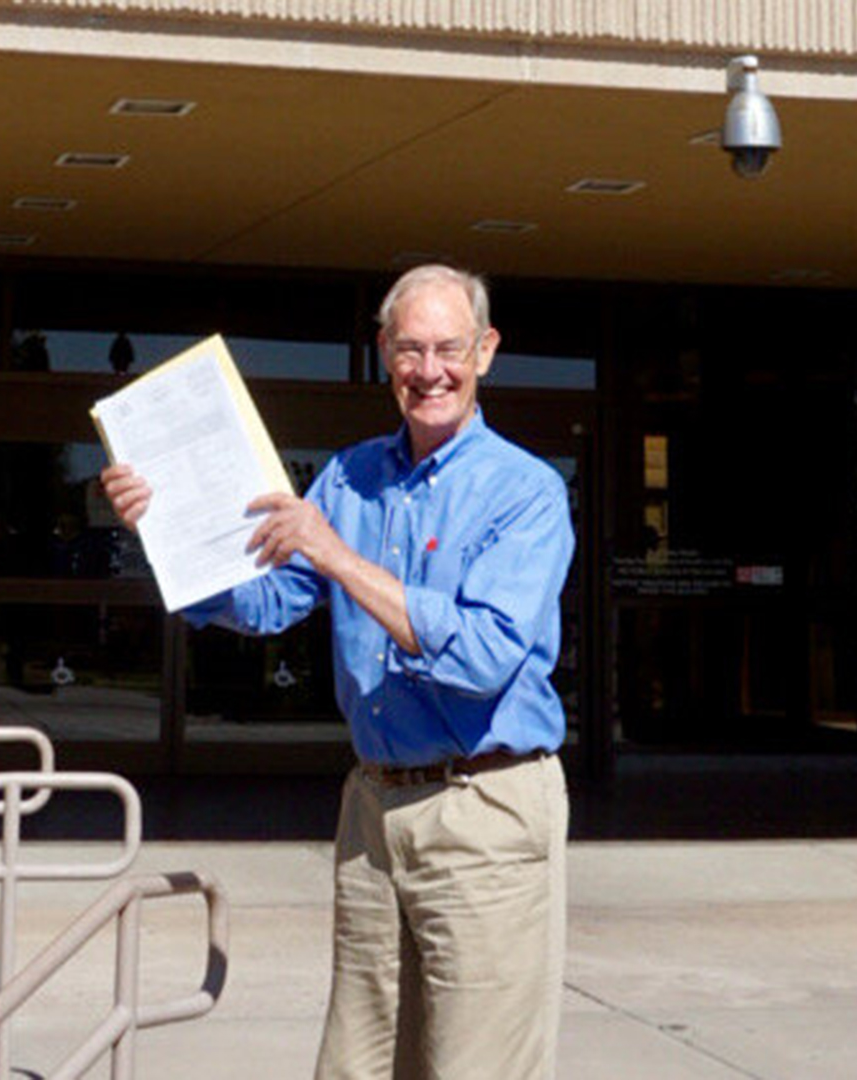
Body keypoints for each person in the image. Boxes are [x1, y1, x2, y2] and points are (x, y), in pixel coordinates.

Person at [100, 264, 573, 1080]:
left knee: (474, 1068)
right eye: (412, 350)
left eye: (450, 349)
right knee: (356, 1065)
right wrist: (163, 527)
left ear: (486, 351)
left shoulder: (523, 491)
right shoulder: (350, 477)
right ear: (385, 352)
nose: (431, 371)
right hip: (373, 809)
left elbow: (485, 653)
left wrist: (338, 557)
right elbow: (270, 599)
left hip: (485, 809)